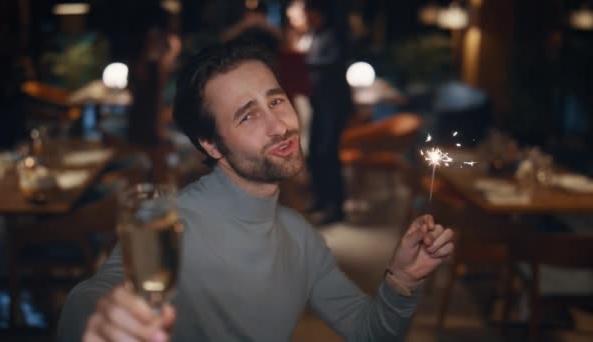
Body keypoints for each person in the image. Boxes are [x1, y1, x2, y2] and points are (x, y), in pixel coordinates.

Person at [58, 40, 454, 342]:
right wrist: (101, 319)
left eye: (277, 101)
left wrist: (402, 281)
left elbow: (369, 331)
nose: (279, 126)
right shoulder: (174, 222)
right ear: (211, 146)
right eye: (248, 116)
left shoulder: (299, 235)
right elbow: (96, 293)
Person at [302, 0, 354, 224]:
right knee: (315, 151)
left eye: (311, 13)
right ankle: (322, 199)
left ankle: (335, 206)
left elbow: (332, 62)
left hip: (332, 103)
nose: (308, 17)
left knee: (328, 153)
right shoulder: (317, 35)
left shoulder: (334, 35)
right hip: (319, 102)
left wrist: (304, 63)